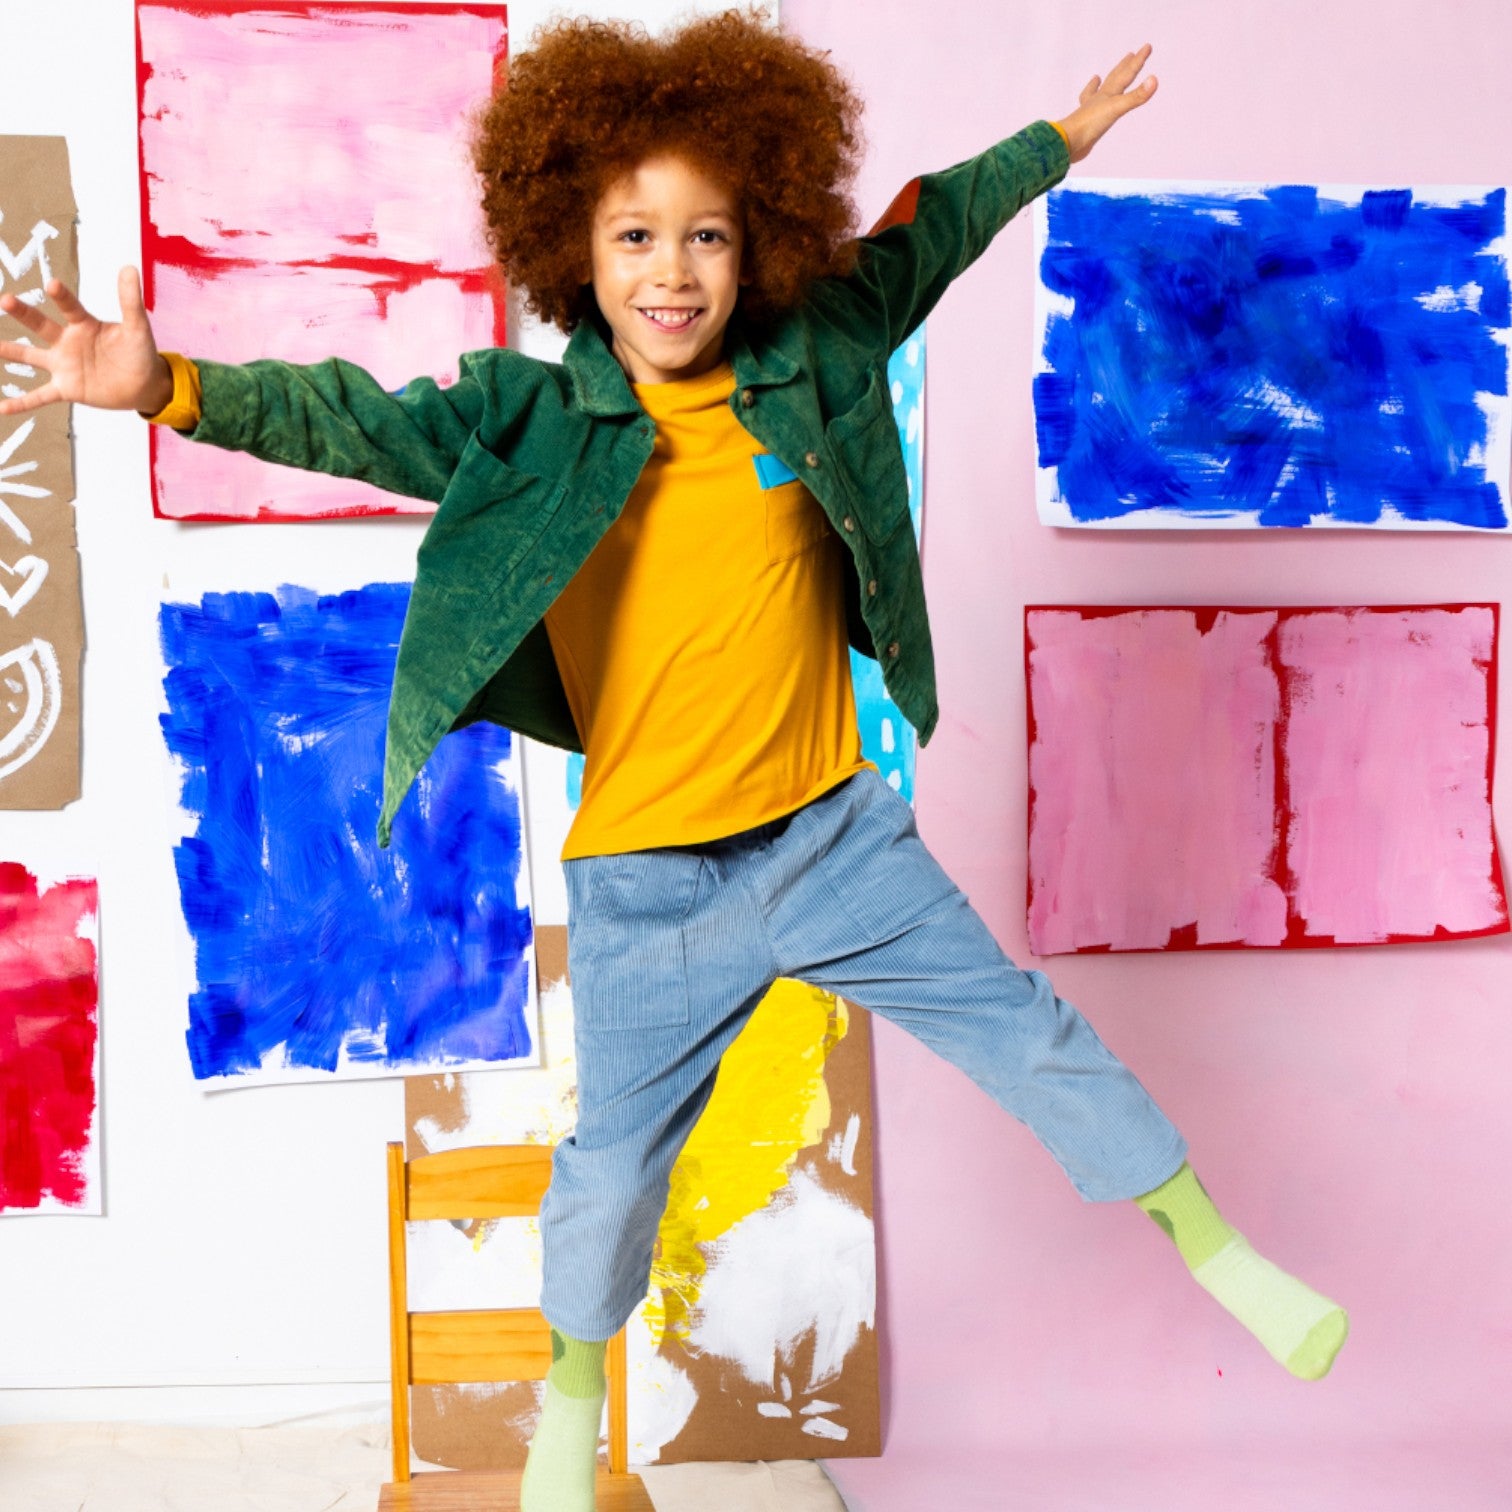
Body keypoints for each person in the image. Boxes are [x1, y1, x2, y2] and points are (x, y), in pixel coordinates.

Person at [0, 14, 1347, 1510]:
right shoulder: (529, 418)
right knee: (610, 1174)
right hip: (650, 883)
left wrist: (1056, 147)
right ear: (573, 244)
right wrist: (163, 384)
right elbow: (352, 418)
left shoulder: (816, 352)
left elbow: (929, 234)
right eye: (635, 235)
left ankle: (1217, 1248)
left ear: (756, 237)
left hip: (833, 840)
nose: (673, 272)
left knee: (1023, 1030)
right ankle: (571, 1407)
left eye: (707, 235)